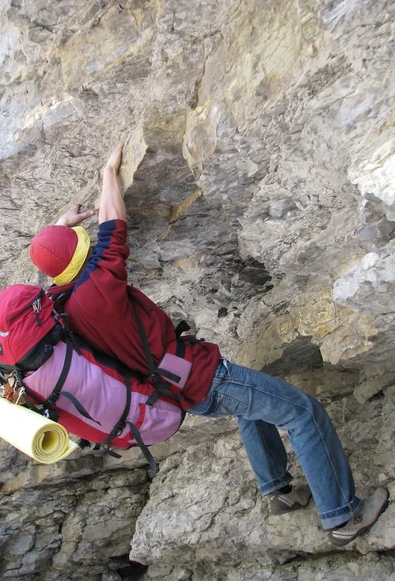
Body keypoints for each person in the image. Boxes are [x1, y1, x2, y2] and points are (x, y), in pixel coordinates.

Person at [29, 142, 389, 546]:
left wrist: (59, 232)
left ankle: (278, 493)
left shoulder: (59, 307)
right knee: (303, 413)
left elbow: (56, 267)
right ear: (82, 258)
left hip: (173, 390)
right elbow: (114, 225)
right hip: (202, 377)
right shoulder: (98, 287)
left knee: (251, 408)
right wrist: (108, 175)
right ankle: (343, 516)